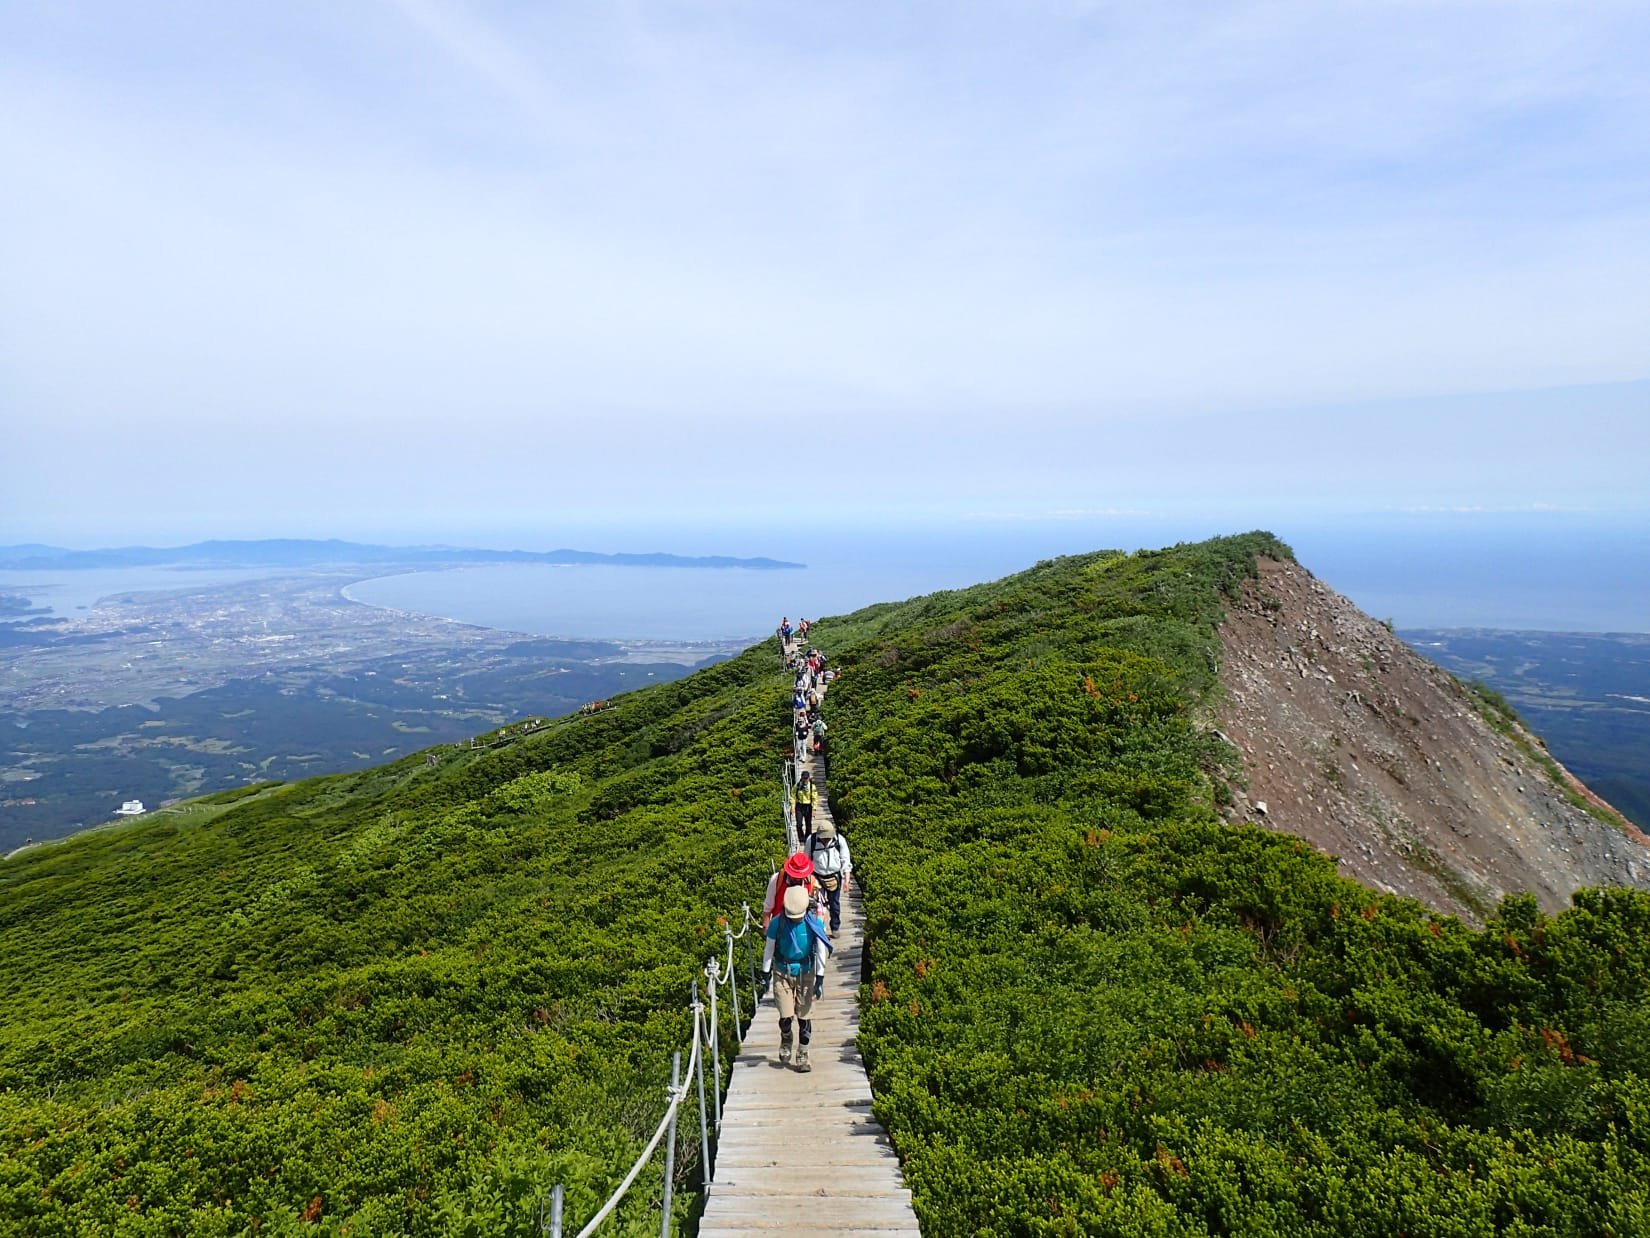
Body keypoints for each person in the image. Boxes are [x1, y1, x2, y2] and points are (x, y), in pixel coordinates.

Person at [758, 884, 833, 1070]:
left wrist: (820, 976)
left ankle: (803, 1052)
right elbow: (769, 949)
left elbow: (821, 947)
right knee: (786, 1014)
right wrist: (766, 973)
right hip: (782, 971)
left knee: (804, 1015)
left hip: (805, 972)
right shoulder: (777, 923)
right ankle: (786, 1037)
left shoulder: (813, 922)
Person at [802, 818, 851, 933]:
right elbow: (806, 859)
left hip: (834, 877)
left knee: (834, 904)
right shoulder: (812, 840)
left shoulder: (839, 840)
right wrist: (808, 878)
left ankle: (835, 927)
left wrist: (847, 880)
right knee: (818, 905)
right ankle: (820, 928)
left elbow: (845, 860)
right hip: (817, 877)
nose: (826, 839)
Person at [762, 851, 819, 929]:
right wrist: (766, 926)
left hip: (802, 928)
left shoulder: (812, 882)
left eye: (800, 876)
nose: (797, 878)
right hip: (779, 926)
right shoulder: (777, 879)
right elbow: (768, 905)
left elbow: (816, 908)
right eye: (794, 875)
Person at [791, 769, 818, 834]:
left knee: (808, 824)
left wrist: (814, 809)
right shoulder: (797, 786)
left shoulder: (812, 787)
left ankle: (808, 837)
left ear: (809, 778)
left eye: (806, 778)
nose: (805, 780)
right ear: (801, 778)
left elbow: (815, 798)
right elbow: (792, 796)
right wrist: (792, 807)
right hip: (799, 806)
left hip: (808, 806)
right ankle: (801, 838)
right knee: (799, 824)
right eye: (804, 778)